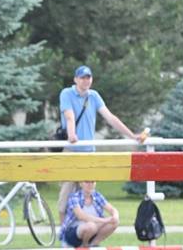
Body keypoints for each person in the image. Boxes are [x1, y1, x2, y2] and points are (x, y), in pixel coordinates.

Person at [57, 65, 147, 223]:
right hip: (72, 151)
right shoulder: (67, 93)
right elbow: (69, 116)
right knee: (66, 194)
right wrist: (72, 134)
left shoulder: (94, 96)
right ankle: (63, 231)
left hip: (89, 152)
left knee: (88, 194)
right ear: (76, 79)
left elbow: (110, 118)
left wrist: (132, 135)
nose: (86, 81)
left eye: (88, 77)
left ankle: (87, 232)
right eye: (82, 78)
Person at [61, 181, 119, 248]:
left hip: (92, 230)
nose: (90, 184)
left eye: (92, 182)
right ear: (81, 184)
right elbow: (81, 216)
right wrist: (104, 220)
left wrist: (115, 216)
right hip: (73, 233)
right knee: (91, 226)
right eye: (87, 182)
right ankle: (84, 245)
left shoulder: (97, 195)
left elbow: (112, 209)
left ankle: (93, 244)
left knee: (114, 222)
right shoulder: (74, 197)